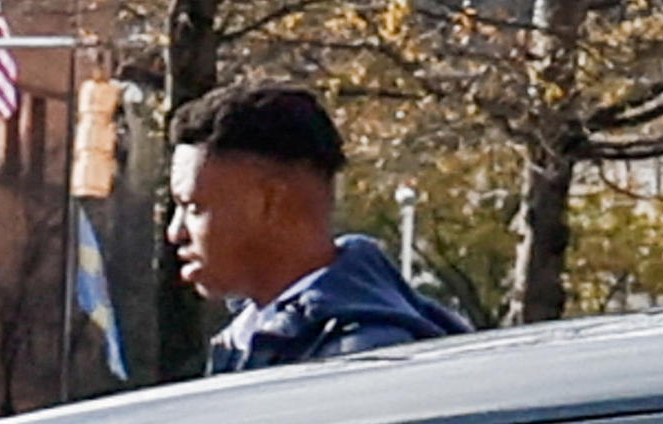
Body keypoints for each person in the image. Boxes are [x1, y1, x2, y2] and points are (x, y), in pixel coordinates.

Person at [165, 81, 472, 371]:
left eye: (193, 207)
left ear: (271, 201)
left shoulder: (361, 359)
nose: (175, 232)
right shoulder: (259, 335)